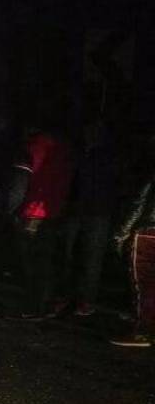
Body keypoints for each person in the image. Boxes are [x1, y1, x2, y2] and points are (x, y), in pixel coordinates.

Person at [11, 125, 75, 319]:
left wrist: (11, 209)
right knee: (45, 261)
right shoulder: (64, 150)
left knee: (32, 263)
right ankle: (46, 305)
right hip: (53, 211)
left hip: (32, 212)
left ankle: (33, 306)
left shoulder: (31, 148)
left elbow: (19, 183)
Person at [57, 122, 119, 316]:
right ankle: (67, 296)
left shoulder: (107, 158)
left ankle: (84, 299)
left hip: (97, 213)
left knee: (90, 258)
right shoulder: (79, 154)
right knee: (68, 254)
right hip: (78, 211)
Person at [112, 138, 155, 347]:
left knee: (144, 285)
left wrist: (123, 232)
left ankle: (142, 332)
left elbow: (139, 202)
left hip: (149, 233)